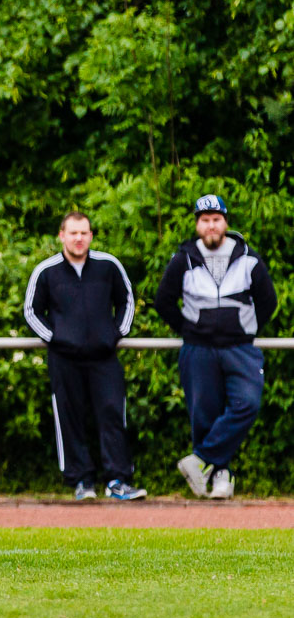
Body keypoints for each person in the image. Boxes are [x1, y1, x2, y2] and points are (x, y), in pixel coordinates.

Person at [154, 194, 277, 500]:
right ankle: (220, 475)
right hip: (198, 348)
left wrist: (246, 327)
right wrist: (188, 328)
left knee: (247, 403)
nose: (211, 226)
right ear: (197, 224)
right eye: (204, 220)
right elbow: (163, 302)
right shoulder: (182, 258)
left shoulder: (249, 258)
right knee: (203, 413)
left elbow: (268, 301)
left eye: (216, 219)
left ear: (225, 222)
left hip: (240, 348)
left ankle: (198, 461)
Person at [22, 211, 142, 500]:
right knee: (70, 418)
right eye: (73, 233)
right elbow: (31, 311)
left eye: (84, 232)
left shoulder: (108, 265)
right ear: (61, 235)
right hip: (64, 359)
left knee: (113, 414)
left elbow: (126, 300)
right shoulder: (46, 271)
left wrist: (116, 334)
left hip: (104, 357)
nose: (78, 238)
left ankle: (117, 481)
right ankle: (82, 482)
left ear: (90, 235)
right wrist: (57, 338)